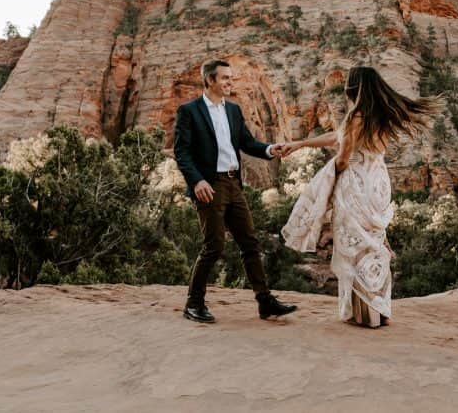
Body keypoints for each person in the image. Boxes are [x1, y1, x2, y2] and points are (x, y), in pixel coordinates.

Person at [281, 66, 436, 327]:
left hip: (356, 182)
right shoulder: (379, 114)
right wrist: (301, 144)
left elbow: (342, 157)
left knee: (354, 244)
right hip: (378, 182)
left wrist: (329, 177)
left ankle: (364, 315)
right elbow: (338, 137)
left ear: (351, 88)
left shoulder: (357, 116)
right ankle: (379, 310)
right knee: (373, 242)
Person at [174, 59, 297, 323]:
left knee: (250, 243)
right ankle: (193, 304)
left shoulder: (233, 110)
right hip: (209, 186)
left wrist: (268, 150)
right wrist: (197, 181)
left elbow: (246, 143)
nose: (231, 82)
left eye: (231, 78)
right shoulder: (190, 111)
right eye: (225, 78)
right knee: (214, 245)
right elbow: (181, 152)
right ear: (210, 80)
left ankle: (265, 302)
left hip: (233, 183)